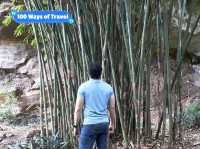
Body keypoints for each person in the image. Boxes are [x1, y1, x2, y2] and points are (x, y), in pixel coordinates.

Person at [73, 62, 116, 149]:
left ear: (89, 73)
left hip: (89, 124)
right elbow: (112, 108)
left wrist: (75, 126)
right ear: (101, 73)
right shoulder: (108, 88)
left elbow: (78, 109)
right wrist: (113, 124)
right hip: (104, 124)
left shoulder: (83, 87)